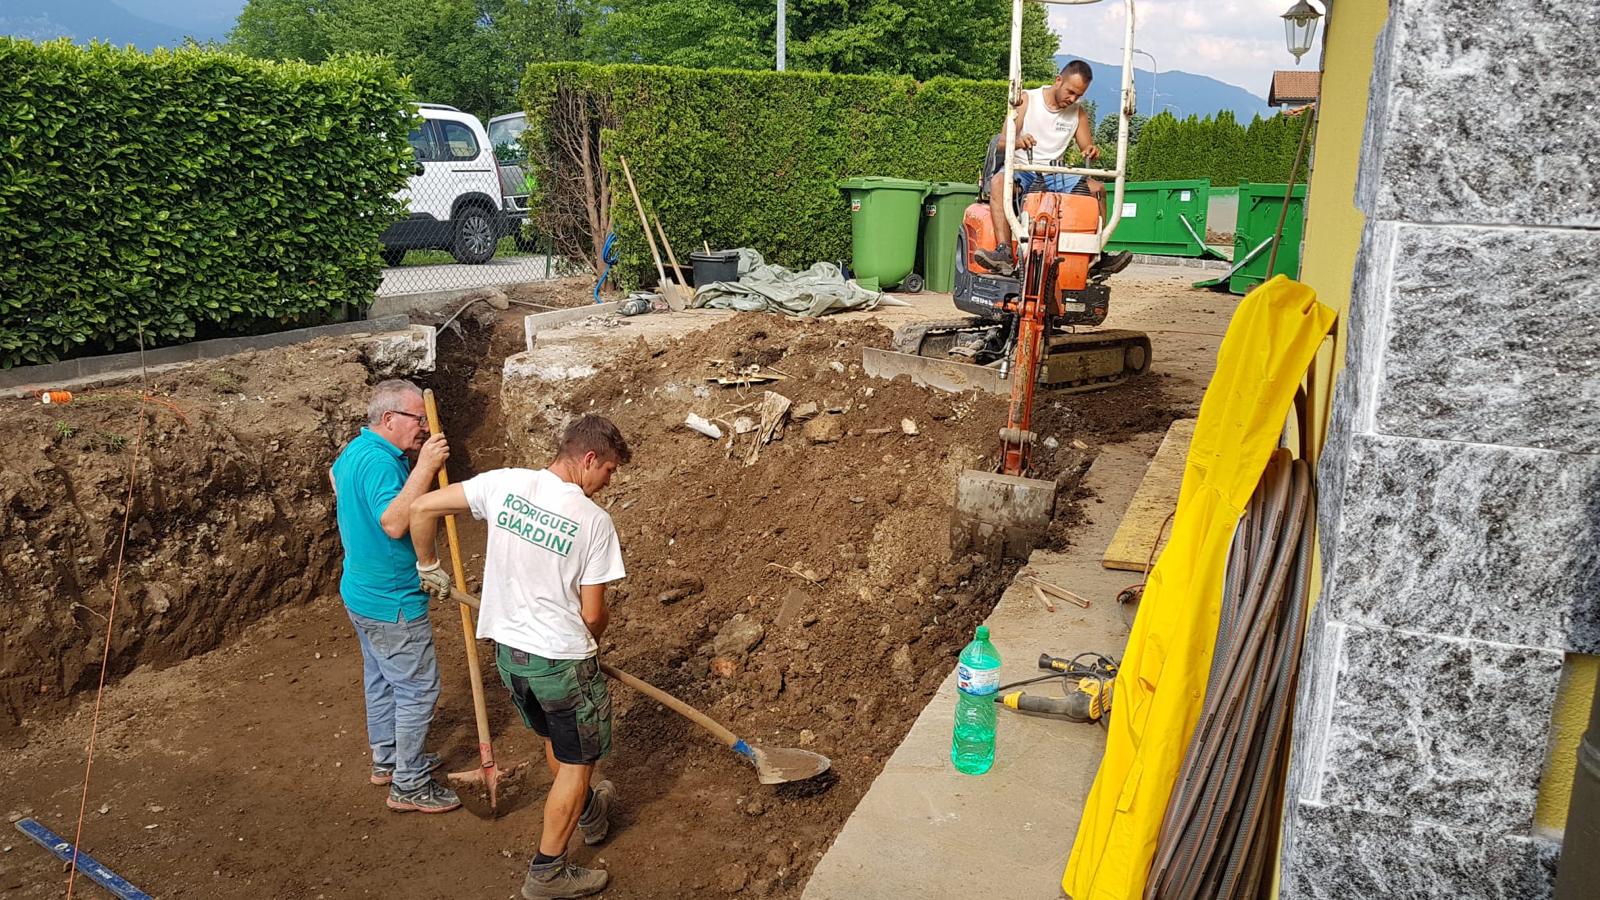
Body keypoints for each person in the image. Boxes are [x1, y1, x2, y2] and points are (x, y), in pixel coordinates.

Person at [410, 414, 631, 899]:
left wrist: (429, 567)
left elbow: (422, 507)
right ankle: (547, 872)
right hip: (561, 662)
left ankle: (589, 812)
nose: (608, 482)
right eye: (609, 471)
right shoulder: (594, 522)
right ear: (589, 459)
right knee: (577, 764)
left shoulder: (505, 484)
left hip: (512, 658)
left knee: (556, 740)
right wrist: (585, 646)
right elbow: (593, 614)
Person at [329, 379, 462, 814]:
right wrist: (424, 467)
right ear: (389, 419)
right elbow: (393, 523)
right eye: (417, 420)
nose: (423, 428)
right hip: (392, 602)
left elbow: (335, 477)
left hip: (361, 592)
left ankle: (387, 760)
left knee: (382, 679)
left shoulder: (356, 450)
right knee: (418, 689)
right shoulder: (385, 465)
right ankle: (408, 784)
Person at [975, 59, 1131, 278]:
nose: (1073, 99)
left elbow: (1087, 147)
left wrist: (1091, 151)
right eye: (1070, 92)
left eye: (1079, 95)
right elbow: (1001, 141)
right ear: (1058, 80)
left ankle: (1096, 255)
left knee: (1098, 190)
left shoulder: (1078, 114)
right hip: (1024, 168)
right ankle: (1004, 253)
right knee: (999, 183)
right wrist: (1018, 141)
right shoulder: (1027, 100)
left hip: (1056, 173)